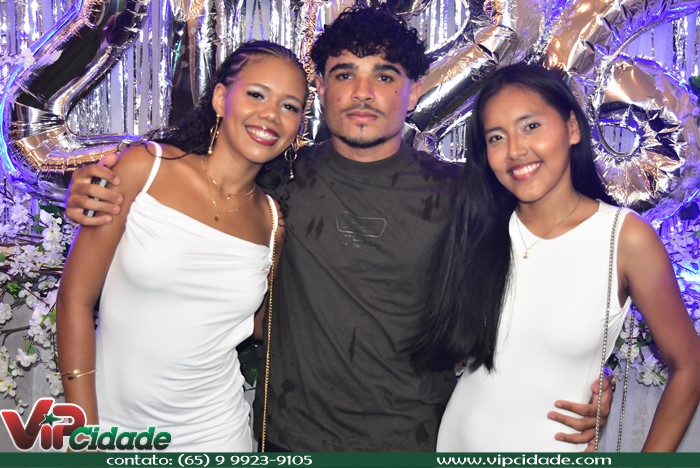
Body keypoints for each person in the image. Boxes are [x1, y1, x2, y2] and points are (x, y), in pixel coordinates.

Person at [63, 7, 612, 451]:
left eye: (384, 76)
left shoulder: (463, 192)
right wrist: (98, 183)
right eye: (345, 74)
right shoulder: (279, 180)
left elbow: (548, 266)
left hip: (414, 442)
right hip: (286, 439)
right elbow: (201, 183)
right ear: (322, 91)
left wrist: (584, 375)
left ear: (414, 91)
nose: (363, 92)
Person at [412, 63, 700, 452]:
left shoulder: (623, 238)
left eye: (531, 126)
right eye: (496, 137)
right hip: (456, 444)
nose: (516, 150)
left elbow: (690, 366)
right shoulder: (477, 228)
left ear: (572, 128)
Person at [56, 41, 308, 451]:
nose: (271, 115)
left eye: (289, 106)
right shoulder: (144, 169)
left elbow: (265, 324)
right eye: (257, 94)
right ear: (222, 99)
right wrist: (84, 430)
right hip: (114, 429)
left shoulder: (272, 220)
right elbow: (74, 300)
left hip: (217, 435)